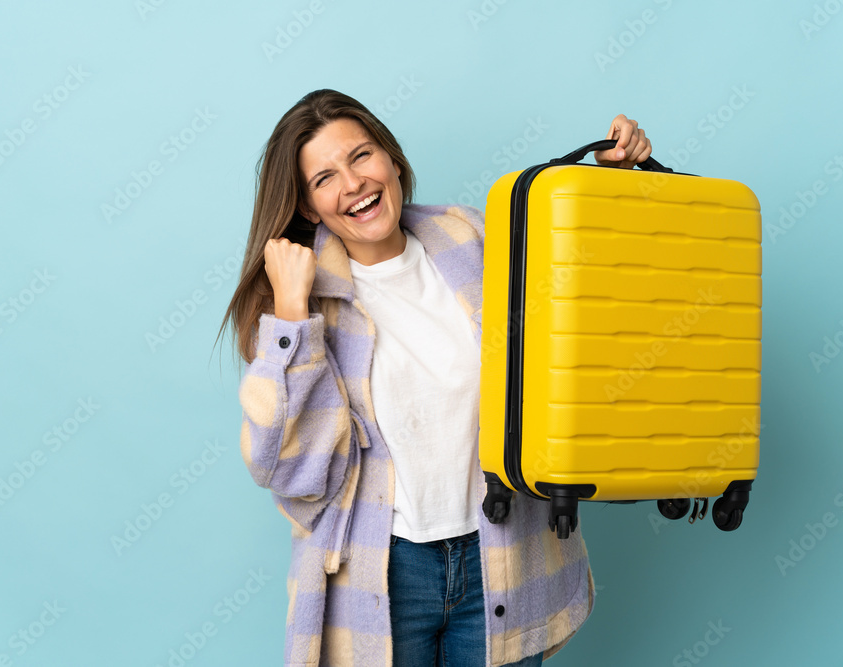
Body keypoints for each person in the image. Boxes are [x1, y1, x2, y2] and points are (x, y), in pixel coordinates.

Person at [217, 89, 653, 667]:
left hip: (504, 550)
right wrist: (293, 318)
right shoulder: (297, 306)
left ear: (392, 160)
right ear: (306, 206)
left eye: (361, 156)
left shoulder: (473, 239)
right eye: (324, 178)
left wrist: (618, 187)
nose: (352, 184)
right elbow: (290, 470)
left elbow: (594, 306)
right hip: (382, 572)